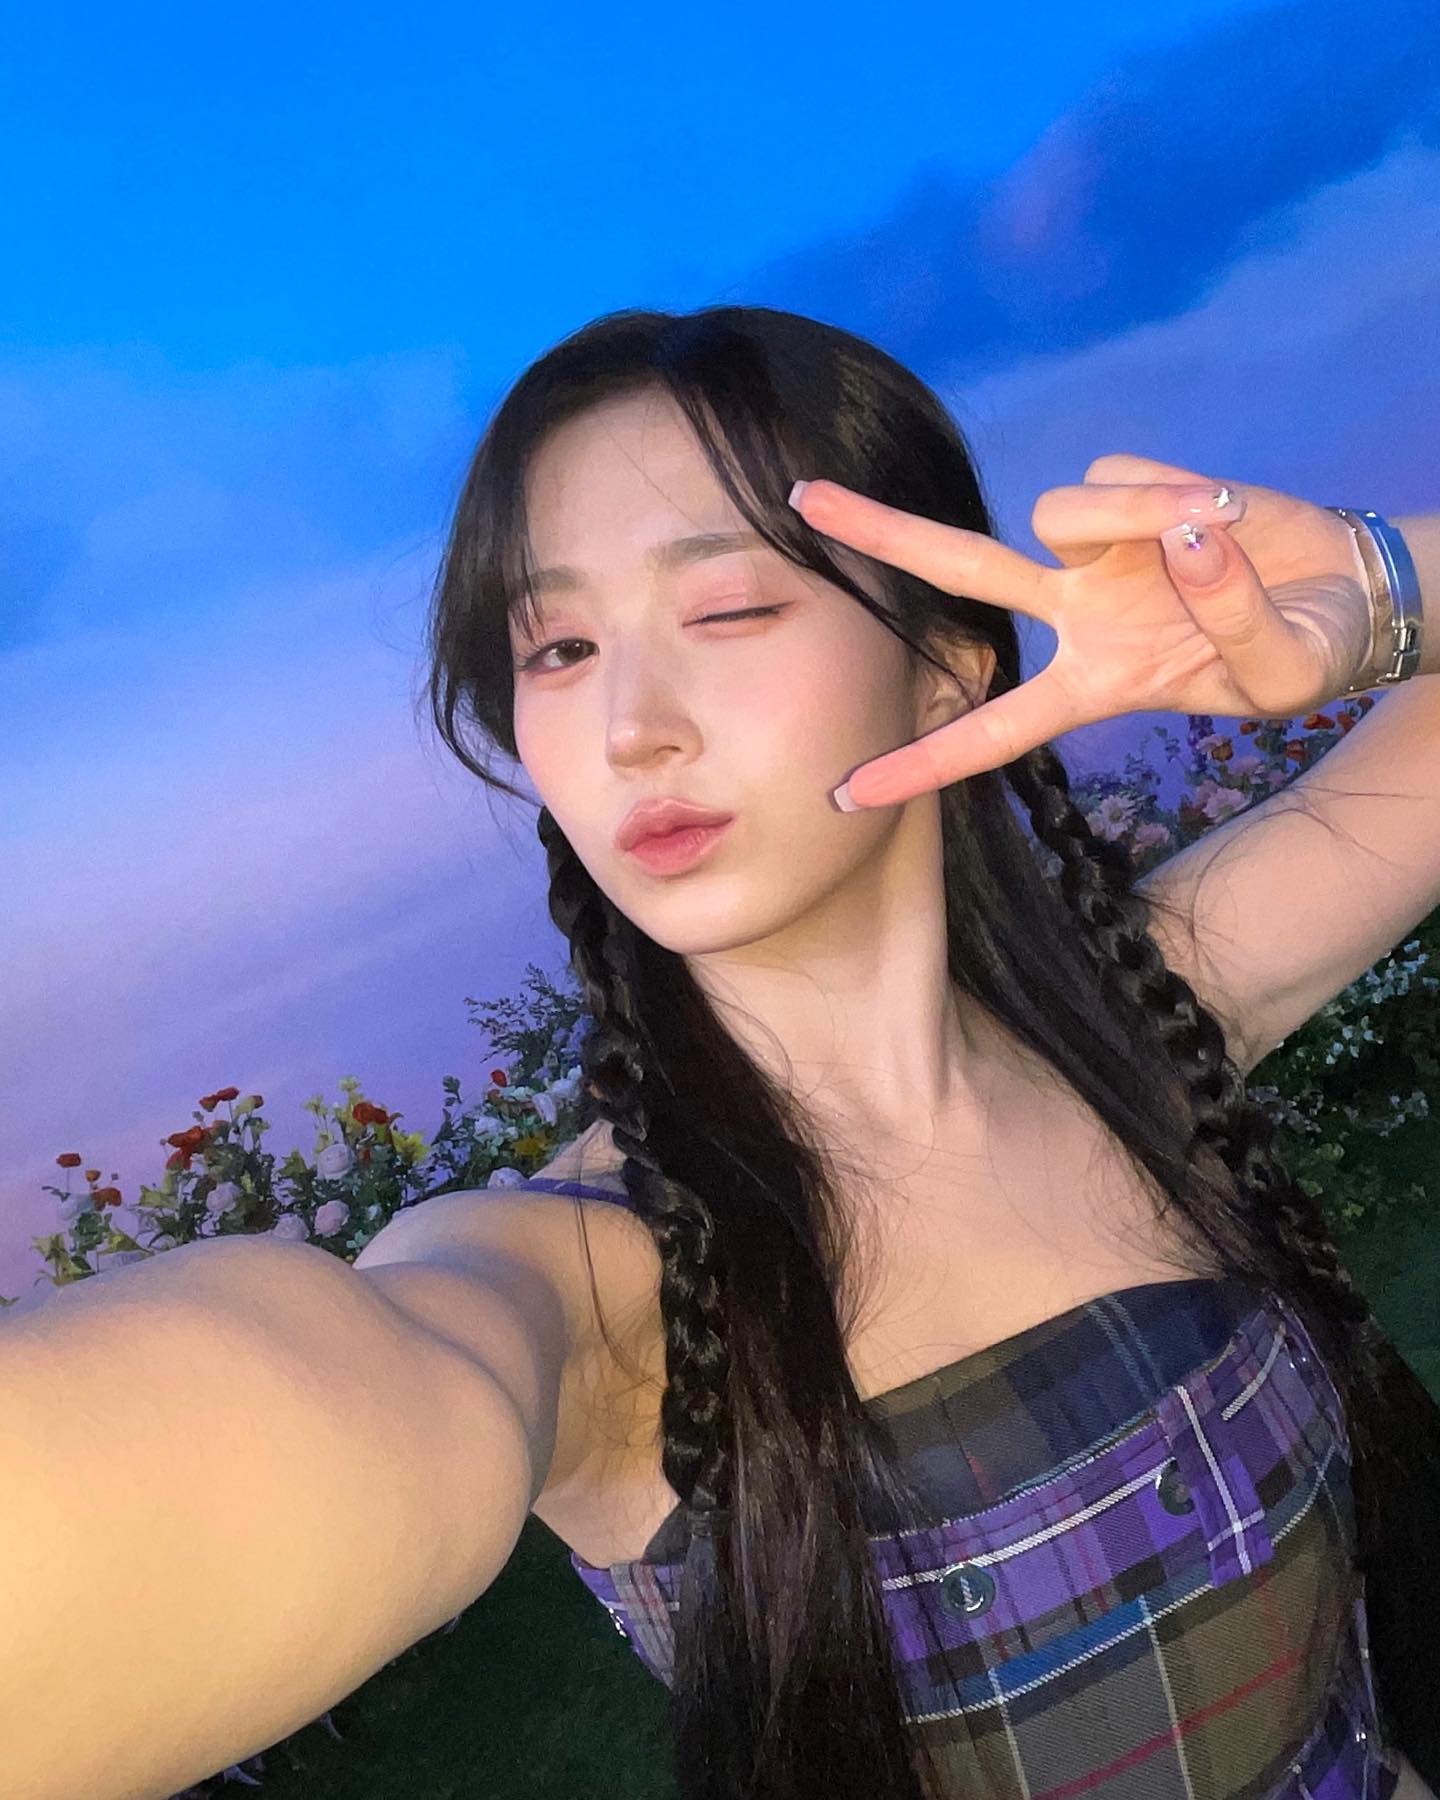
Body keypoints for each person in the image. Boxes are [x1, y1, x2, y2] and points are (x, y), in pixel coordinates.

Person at [4, 304, 1437, 1800]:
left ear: (947, 665)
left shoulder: (1134, 1025)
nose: (630, 728)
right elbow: (321, 1407)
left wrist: (1365, 593)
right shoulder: (599, 1288)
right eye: (561, 648)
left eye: (730, 608)